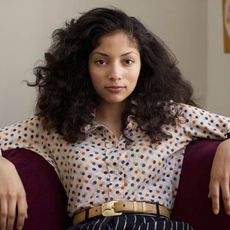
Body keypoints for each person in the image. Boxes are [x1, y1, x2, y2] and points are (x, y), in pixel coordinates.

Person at [0, 7, 230, 230]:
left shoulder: (174, 117)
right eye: (101, 61)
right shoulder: (54, 125)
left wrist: (227, 147)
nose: (115, 74)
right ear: (83, 67)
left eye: (127, 61)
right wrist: (2, 166)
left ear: (143, 66)